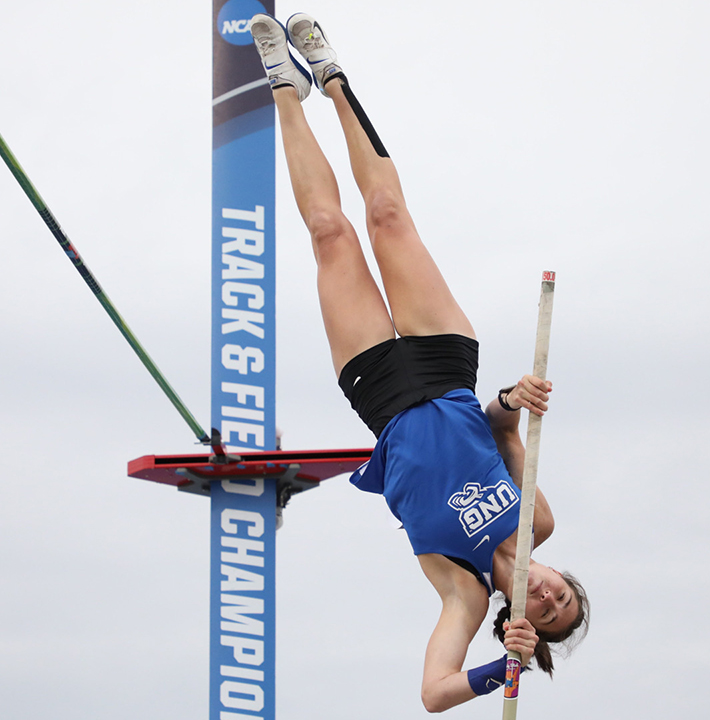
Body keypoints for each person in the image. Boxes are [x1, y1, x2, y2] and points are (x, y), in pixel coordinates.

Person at [249, 13, 589, 712]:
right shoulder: (537, 523)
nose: (552, 595)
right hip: (447, 370)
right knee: (387, 217)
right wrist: (513, 397)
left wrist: (505, 670)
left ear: (521, 622)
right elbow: (499, 430)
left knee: (329, 234)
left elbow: (433, 695)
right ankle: (333, 79)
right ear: (560, 572)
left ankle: (284, 89)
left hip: (382, 397)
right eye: (566, 592)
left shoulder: (462, 592)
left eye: (550, 613)